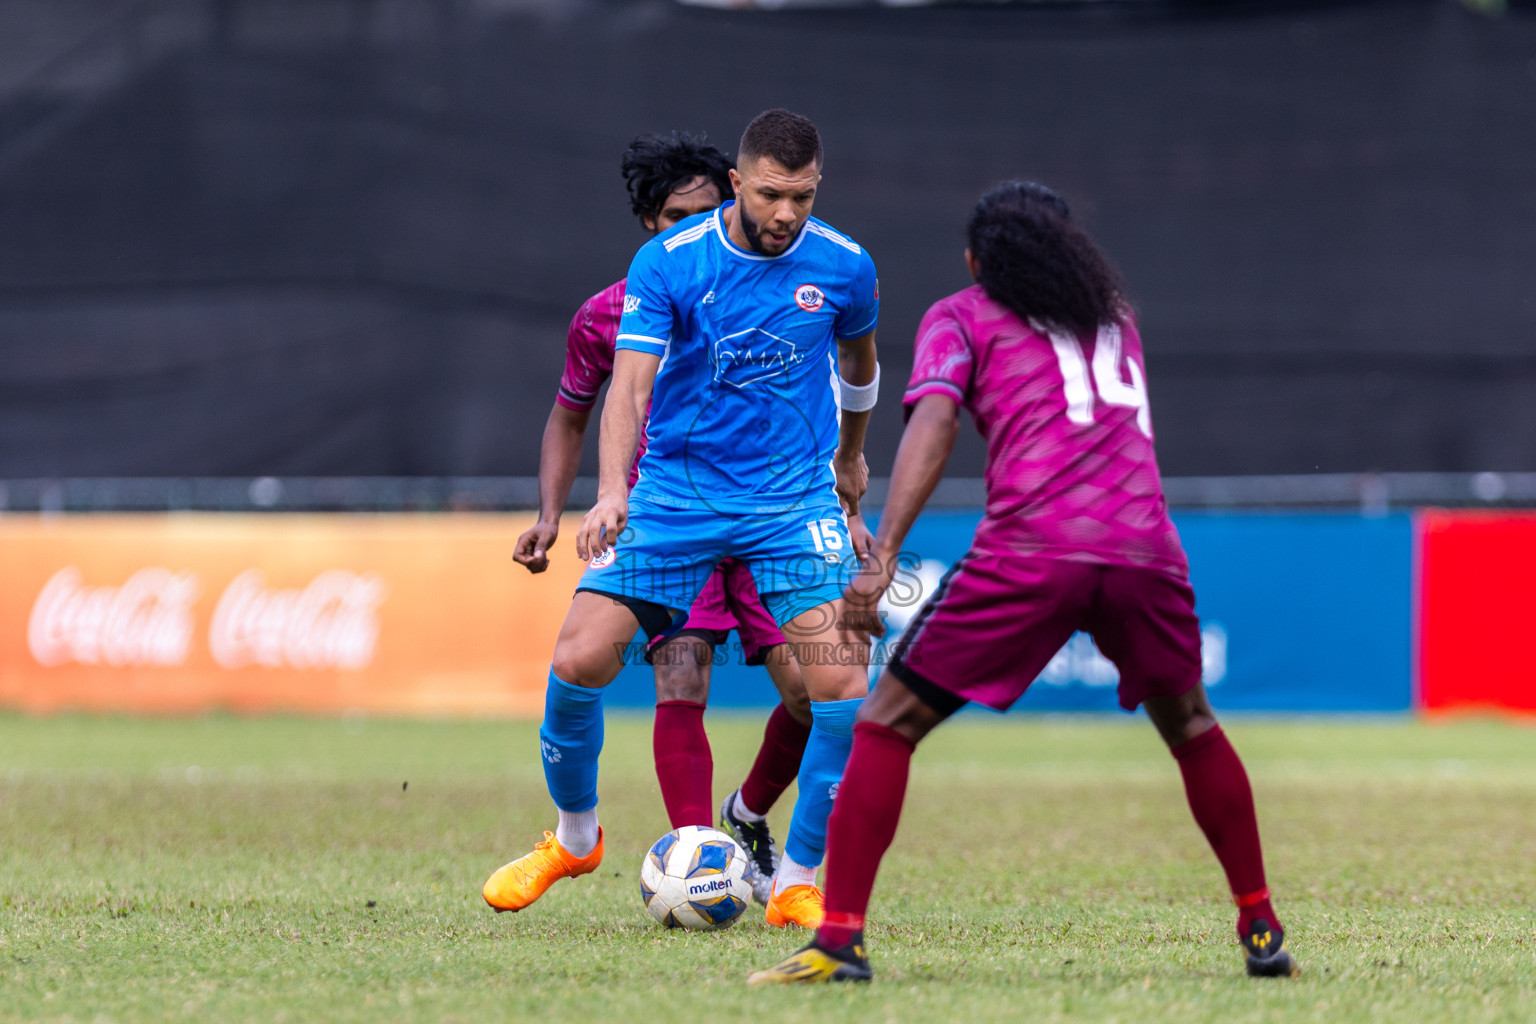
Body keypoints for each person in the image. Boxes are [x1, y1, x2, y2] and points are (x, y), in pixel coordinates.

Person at [750, 181, 1297, 983]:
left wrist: (884, 554)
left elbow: (934, 424)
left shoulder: (963, 314)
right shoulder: (1117, 322)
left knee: (886, 725)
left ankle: (839, 940)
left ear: (978, 260)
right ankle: (1260, 926)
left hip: (1034, 547)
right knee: (1193, 727)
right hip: (1146, 549)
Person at [482, 109, 880, 929]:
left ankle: (800, 877)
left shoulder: (844, 267)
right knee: (582, 656)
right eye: (771, 194)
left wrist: (849, 460)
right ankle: (575, 838)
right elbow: (628, 387)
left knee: (837, 681)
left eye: (802, 197)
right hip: (674, 497)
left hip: (789, 502)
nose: (786, 214)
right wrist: (611, 494)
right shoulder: (665, 264)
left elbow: (861, 367)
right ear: (739, 183)